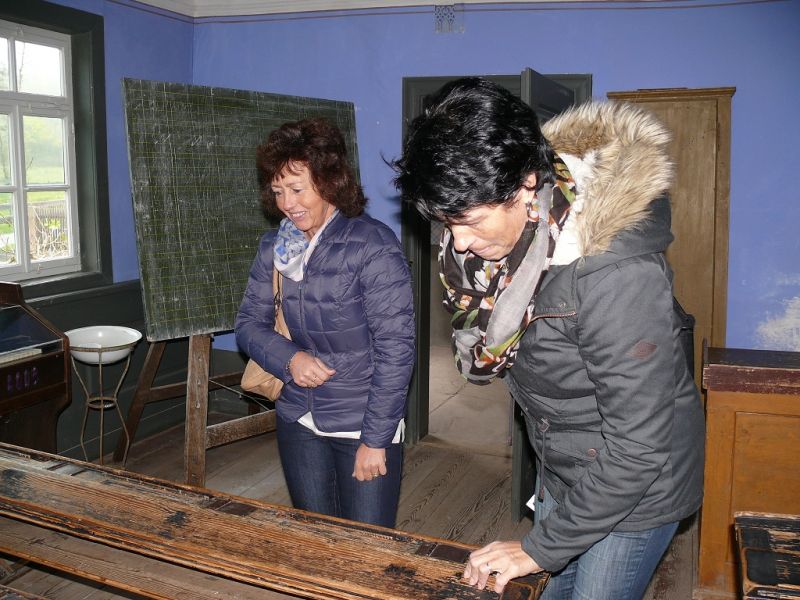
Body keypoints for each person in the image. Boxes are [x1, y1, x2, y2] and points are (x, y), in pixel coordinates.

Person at [392, 78, 704, 599]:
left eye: (469, 221)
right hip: (563, 468)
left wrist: (538, 547)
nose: (458, 243)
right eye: (448, 222)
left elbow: (639, 447)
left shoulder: (616, 275)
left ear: (525, 184)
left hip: (637, 487)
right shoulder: (508, 253)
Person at [236, 117, 415, 528]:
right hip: (297, 416)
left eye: (297, 189)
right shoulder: (274, 247)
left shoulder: (372, 245)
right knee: (315, 538)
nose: (287, 203)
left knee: (366, 545)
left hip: (361, 423)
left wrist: (376, 440)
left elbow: (396, 350)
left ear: (329, 182)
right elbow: (248, 324)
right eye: (278, 191)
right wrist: (289, 359)